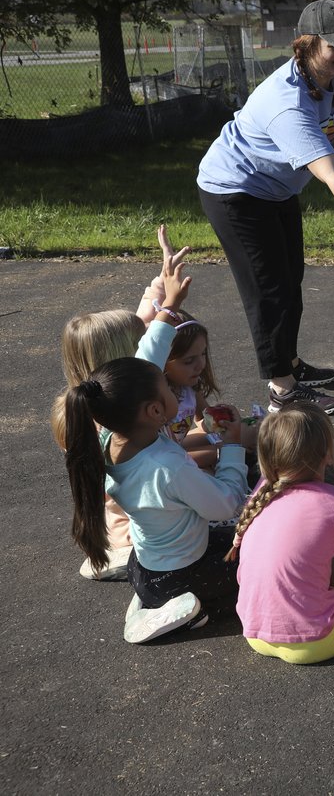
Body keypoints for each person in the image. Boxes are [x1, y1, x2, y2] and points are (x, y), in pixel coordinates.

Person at [197, 0, 334, 416]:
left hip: (275, 190)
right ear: (308, 44)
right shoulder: (287, 102)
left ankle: (289, 363)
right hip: (234, 190)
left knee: (291, 279)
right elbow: (331, 175)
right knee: (267, 288)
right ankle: (282, 391)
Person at [63, 357, 249, 643]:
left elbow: (136, 376)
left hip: (145, 566)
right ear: (154, 410)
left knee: (241, 539)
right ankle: (187, 611)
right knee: (260, 569)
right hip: (181, 577)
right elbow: (224, 505)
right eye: (167, 388)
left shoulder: (112, 439)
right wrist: (233, 447)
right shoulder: (166, 468)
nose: (174, 391)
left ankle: (150, 597)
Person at [57, 227, 193, 582]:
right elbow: (152, 349)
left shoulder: (89, 399)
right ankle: (126, 558)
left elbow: (145, 322)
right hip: (138, 530)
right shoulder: (118, 415)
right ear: (120, 360)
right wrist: (172, 307)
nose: (147, 341)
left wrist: (161, 282)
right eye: (139, 342)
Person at [228, 404, 334, 664]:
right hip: (314, 641)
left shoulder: (263, 490)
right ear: (327, 454)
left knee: (319, 549)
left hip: (256, 633)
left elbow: (313, 535)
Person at [162, 311, 227, 470]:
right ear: (163, 361)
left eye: (203, 354)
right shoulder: (157, 400)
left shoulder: (188, 386)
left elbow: (204, 420)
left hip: (177, 449)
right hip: (164, 463)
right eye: (189, 360)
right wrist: (222, 450)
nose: (201, 364)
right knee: (224, 453)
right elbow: (165, 459)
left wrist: (224, 423)